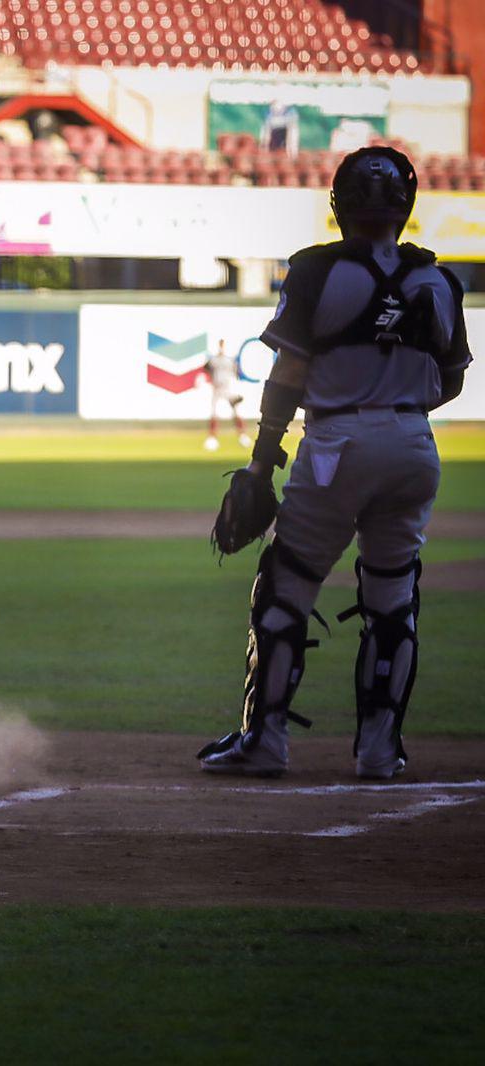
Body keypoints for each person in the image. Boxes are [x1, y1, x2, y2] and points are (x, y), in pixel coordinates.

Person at [199, 147, 470, 780]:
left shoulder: (316, 272)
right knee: (393, 597)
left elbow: (288, 373)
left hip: (337, 446)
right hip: (413, 444)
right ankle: (380, 751)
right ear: (407, 207)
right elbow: (451, 382)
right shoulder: (440, 281)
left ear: (337, 205)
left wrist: (263, 462)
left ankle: (263, 740)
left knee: (286, 584)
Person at [203, 338, 251, 452]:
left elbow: (238, 373)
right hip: (217, 390)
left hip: (229, 390)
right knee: (214, 413)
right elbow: (206, 369)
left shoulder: (230, 360)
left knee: (236, 412)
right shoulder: (213, 360)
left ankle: (242, 436)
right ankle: (212, 439)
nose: (221, 347)